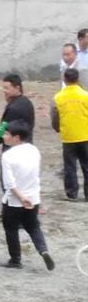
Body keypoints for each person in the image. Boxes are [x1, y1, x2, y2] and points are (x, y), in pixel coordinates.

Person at [0, 121, 54, 271]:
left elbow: (9, 183)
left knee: (11, 228)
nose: (4, 136)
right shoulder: (34, 150)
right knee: (33, 226)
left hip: (14, 200)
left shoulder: (7, 156)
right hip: (33, 197)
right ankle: (43, 249)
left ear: (16, 137)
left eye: (7, 134)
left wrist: (21, 197)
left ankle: (15, 259)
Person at [51, 68, 88, 202]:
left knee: (70, 166)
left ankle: (72, 193)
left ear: (64, 80)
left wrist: (57, 129)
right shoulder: (85, 95)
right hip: (85, 135)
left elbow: (55, 117)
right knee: (86, 165)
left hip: (68, 137)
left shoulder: (58, 97)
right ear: (78, 79)